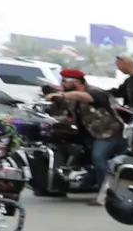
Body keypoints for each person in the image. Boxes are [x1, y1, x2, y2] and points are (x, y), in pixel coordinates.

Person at [44, 67, 124, 200]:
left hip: (108, 132)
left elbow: (85, 97)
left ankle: (106, 195)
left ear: (75, 82)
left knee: (99, 159)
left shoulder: (94, 92)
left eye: (65, 81)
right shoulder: (72, 97)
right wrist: (51, 119)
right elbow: (71, 117)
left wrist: (62, 95)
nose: (62, 84)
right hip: (90, 134)